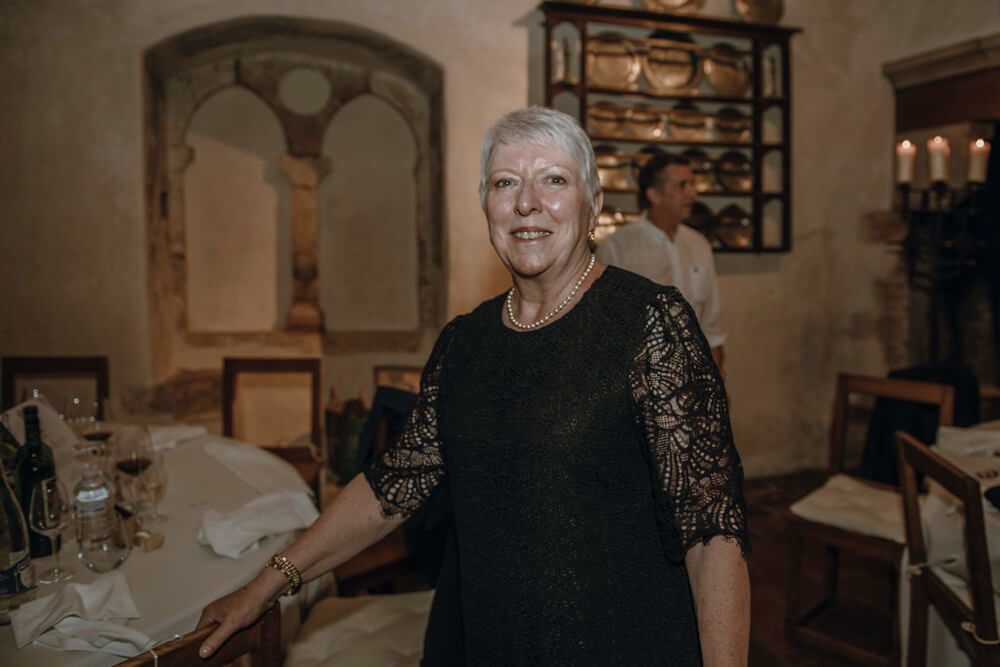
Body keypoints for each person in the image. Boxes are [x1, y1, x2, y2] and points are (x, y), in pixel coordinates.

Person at [197, 107, 750, 666]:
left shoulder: (650, 323)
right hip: (492, 641)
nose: (526, 203)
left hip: (623, 645)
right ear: (486, 204)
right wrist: (264, 586)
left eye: (553, 180)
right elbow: (395, 483)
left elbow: (713, 531)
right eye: (505, 183)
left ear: (594, 205)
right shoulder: (464, 341)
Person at [596, 153, 727, 377]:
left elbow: (711, 323)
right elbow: (603, 327)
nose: (693, 193)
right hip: (638, 378)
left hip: (695, 375)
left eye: (692, 183)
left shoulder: (699, 244)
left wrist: (716, 377)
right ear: (654, 195)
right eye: (682, 185)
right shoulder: (617, 248)